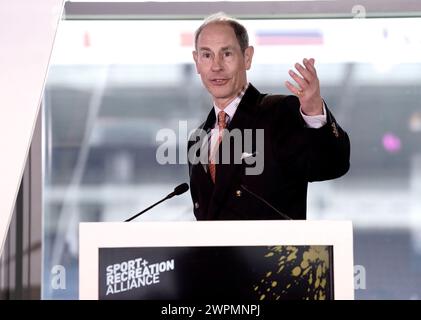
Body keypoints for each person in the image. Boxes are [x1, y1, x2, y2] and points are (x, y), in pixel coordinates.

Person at [187, 13, 350, 220]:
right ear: (196, 61)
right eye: (207, 55)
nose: (216, 66)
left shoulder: (279, 112)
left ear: (247, 57)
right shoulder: (197, 139)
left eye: (226, 54)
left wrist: (314, 112)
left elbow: (331, 165)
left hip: (274, 252)